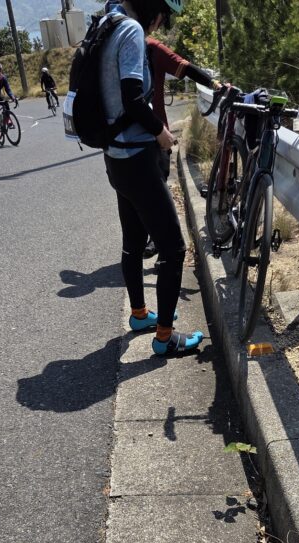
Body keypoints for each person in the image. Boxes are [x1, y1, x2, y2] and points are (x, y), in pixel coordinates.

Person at [99, 0, 203, 356]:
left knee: (132, 241)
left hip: (114, 156)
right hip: (137, 156)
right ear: (154, 9)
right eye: (163, 16)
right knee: (173, 248)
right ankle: (164, 338)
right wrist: (161, 132)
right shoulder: (131, 30)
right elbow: (132, 98)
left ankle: (140, 314)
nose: (160, 23)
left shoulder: (107, 25)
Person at [142, 37, 220, 260]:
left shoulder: (111, 43)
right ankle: (162, 248)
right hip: (156, 135)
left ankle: (146, 244)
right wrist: (214, 84)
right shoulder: (151, 47)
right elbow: (184, 68)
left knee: (134, 199)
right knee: (157, 193)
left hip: (120, 141)